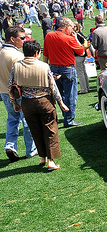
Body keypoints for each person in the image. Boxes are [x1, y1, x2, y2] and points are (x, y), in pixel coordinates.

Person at [9, 40, 69, 171]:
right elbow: (53, 87)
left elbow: (11, 86)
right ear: (37, 53)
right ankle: (51, 160)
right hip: (44, 101)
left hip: (27, 103)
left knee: (35, 130)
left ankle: (43, 157)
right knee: (50, 129)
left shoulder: (16, 66)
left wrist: (14, 103)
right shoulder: (43, 66)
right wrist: (61, 102)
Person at [0, 27, 37, 162]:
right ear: (12, 39)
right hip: (19, 92)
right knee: (27, 119)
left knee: (12, 119)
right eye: (22, 38)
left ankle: (10, 145)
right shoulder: (17, 56)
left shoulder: (1, 51)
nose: (25, 40)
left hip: (4, 91)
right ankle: (31, 150)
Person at [43, 17, 85, 127]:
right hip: (68, 69)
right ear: (66, 27)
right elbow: (81, 51)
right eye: (71, 27)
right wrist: (75, 38)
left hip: (53, 69)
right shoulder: (69, 38)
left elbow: (45, 54)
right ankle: (69, 120)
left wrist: (46, 68)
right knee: (70, 95)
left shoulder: (49, 36)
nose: (73, 30)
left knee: (60, 95)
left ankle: (66, 116)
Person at [73, 22, 90, 94]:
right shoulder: (80, 34)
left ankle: (84, 89)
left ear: (76, 27)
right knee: (83, 71)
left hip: (78, 55)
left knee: (80, 72)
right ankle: (86, 87)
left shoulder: (75, 35)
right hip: (83, 54)